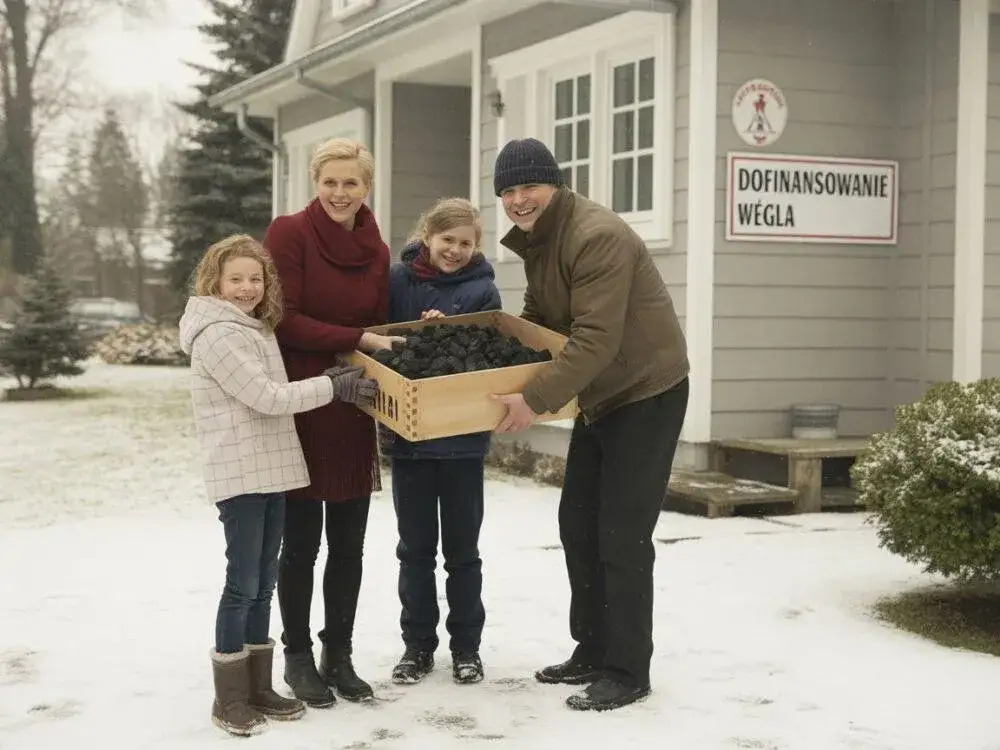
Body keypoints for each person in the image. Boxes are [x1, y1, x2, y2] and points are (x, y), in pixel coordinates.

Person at [490, 138, 690, 712]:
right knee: (578, 524)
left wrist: (532, 398)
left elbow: (594, 339)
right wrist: (497, 358)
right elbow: (539, 317)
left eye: (529, 186)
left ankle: (628, 670)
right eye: (507, 190)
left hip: (645, 390)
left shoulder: (595, 236)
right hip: (602, 395)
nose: (518, 199)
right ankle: (594, 649)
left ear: (554, 183)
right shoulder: (541, 238)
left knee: (622, 535)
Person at [178, 234, 378, 736]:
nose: (247, 287)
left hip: (267, 470)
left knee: (264, 581)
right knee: (242, 582)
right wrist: (334, 386)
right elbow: (266, 397)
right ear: (214, 283)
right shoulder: (218, 334)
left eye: (255, 278)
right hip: (240, 473)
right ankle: (230, 698)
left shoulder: (252, 327)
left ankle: (259, 686)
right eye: (236, 279)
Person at [262, 138, 402, 706]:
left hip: (352, 404)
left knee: (350, 544)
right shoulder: (288, 233)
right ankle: (297, 655)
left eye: (352, 183)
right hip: (302, 398)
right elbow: (284, 318)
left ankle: (337, 654)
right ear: (315, 183)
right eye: (331, 182)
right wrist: (355, 338)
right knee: (301, 544)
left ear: (367, 188)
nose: (340, 193)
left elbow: (382, 323)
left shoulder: (377, 248)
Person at [381, 198, 502, 687]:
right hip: (410, 441)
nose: (454, 250)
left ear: (476, 246)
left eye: (465, 242)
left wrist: (446, 336)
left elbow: (488, 356)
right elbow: (381, 339)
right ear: (427, 238)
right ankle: (417, 647)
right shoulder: (397, 282)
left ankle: (467, 648)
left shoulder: (483, 291)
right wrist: (417, 337)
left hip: (463, 444)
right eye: (446, 240)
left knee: (463, 553)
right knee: (414, 551)